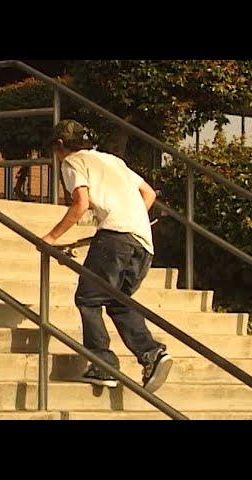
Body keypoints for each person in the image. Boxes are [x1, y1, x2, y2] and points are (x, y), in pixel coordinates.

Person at [41, 119, 172, 393]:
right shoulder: (113, 161)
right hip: (143, 241)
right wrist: (129, 219)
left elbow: (80, 204)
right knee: (117, 301)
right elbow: (148, 194)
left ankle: (102, 365)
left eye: (55, 150)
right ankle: (152, 354)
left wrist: (51, 237)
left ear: (61, 146)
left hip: (116, 238)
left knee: (87, 299)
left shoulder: (72, 162)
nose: (56, 157)